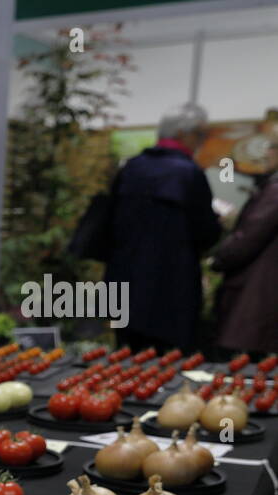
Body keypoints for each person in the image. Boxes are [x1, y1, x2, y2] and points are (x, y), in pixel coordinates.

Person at [104, 103, 221, 353]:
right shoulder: (189, 173)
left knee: (126, 358)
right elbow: (206, 232)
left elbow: (109, 223)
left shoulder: (132, 167)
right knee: (171, 365)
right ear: (183, 134)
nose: (200, 142)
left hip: (126, 282)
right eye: (199, 135)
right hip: (172, 288)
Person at [212, 136, 278, 354]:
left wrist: (217, 258)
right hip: (263, 295)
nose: (267, 153)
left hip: (256, 297)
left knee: (242, 372)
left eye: (272, 148)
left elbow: (248, 239)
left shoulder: (275, 192)